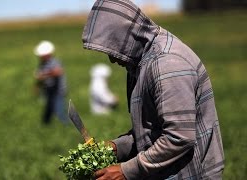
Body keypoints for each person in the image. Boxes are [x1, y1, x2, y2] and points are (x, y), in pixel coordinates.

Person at [82, 0, 225, 179]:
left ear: (127, 37)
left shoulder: (167, 64)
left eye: (113, 50)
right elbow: (150, 133)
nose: (112, 59)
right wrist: (115, 147)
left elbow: (178, 137)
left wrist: (125, 171)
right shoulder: (140, 62)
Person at [33, 40, 68, 125]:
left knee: (59, 110)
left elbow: (58, 72)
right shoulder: (42, 64)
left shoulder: (55, 62)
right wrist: (37, 85)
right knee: (48, 110)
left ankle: (67, 125)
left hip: (57, 91)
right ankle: (46, 125)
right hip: (48, 91)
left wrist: (44, 74)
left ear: (47, 54)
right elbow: (40, 76)